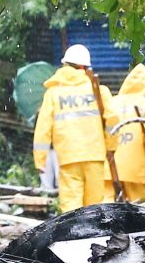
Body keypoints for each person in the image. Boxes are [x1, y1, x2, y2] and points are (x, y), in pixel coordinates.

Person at [31, 44, 115, 211]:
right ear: (84, 67)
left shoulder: (53, 93)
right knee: (94, 207)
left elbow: (43, 128)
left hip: (68, 157)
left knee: (71, 206)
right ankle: (94, 235)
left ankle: (74, 235)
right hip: (95, 156)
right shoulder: (98, 90)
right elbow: (112, 120)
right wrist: (111, 147)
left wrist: (40, 159)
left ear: (65, 65)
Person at [106, 63, 145, 199]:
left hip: (109, 167)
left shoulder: (111, 103)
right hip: (137, 168)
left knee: (105, 211)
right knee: (140, 209)